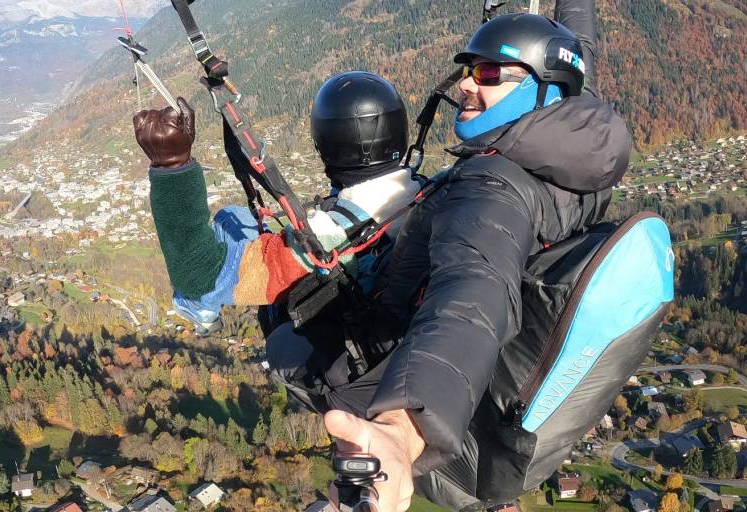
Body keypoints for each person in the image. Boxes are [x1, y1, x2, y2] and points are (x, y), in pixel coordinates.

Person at [318, 5, 633, 512]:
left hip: (395, 369)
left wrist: (404, 432)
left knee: (296, 342)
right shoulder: (577, 143)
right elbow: (577, 52)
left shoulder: (492, 187)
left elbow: (471, 300)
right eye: (467, 69)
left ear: (543, 89)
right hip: (488, 394)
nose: (466, 85)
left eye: (488, 73)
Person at [133, 71, 420, 334]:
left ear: (324, 145)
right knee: (234, 216)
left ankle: (200, 309)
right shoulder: (423, 192)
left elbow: (200, 273)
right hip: (383, 286)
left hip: (324, 314)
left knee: (220, 241)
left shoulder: (329, 236)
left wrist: (171, 165)